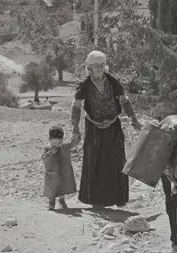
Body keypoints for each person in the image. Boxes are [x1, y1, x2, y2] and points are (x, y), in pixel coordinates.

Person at [70, 51, 141, 209]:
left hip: (113, 126)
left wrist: (134, 119)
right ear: (89, 68)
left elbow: (124, 101)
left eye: (101, 65)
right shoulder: (84, 85)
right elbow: (76, 106)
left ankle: (119, 198)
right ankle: (96, 201)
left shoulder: (113, 82)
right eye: (96, 66)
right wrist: (75, 127)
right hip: (93, 127)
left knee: (116, 160)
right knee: (94, 160)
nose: (99, 68)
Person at [41, 125, 77, 211]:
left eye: (59, 142)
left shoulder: (64, 146)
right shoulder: (47, 148)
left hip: (63, 171)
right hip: (52, 172)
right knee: (52, 188)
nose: (56, 145)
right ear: (49, 140)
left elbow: (73, 143)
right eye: (54, 143)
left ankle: (62, 200)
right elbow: (43, 158)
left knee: (62, 186)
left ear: (62, 140)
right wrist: (50, 152)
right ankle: (51, 202)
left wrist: (76, 137)